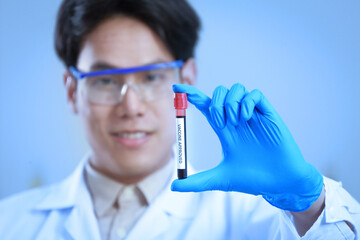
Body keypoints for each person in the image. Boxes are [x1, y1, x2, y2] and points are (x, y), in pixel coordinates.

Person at [0, 0, 359, 239]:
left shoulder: (263, 221)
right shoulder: (11, 224)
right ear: (70, 91)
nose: (131, 107)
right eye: (105, 80)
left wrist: (311, 205)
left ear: (186, 79)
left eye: (152, 76)